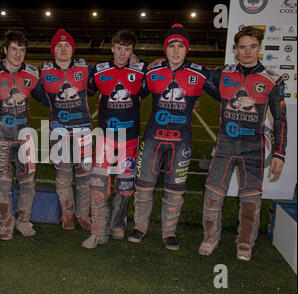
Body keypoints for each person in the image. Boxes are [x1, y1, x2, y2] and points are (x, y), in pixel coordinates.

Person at [127, 24, 221, 250]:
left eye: (180, 46)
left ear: (186, 49)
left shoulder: (198, 73)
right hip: (153, 138)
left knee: (175, 189)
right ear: (165, 49)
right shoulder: (154, 72)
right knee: (144, 185)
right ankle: (140, 227)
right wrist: (137, 67)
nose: (176, 50)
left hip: (182, 141)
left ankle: (169, 233)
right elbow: (134, 93)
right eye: (171, 46)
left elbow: (221, 94)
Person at [198, 26, 287, 261]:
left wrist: (279, 153)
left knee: (250, 199)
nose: (247, 52)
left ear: (259, 48)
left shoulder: (272, 79)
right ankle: (210, 237)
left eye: (252, 46)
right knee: (213, 194)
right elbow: (195, 73)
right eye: (242, 47)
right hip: (225, 145)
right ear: (236, 51)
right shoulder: (224, 74)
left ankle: (245, 243)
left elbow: (280, 119)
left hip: (253, 148)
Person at [82, 30, 149, 248]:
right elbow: (87, 90)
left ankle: (117, 224)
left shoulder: (141, 71)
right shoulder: (100, 70)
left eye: (127, 49)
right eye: (119, 48)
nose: (122, 53)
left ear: (132, 50)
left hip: (129, 139)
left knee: (125, 185)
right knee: (98, 183)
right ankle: (98, 231)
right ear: (112, 48)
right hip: (106, 139)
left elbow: (159, 83)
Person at [0, 30, 48, 240]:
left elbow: (47, 99)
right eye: (13, 49)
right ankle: (6, 224)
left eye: (22, 49)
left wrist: (49, 73)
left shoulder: (31, 73)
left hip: (25, 138)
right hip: (0, 138)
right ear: (4, 50)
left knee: (28, 181)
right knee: (3, 183)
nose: (18, 54)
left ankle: (23, 221)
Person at [39, 29, 93, 231]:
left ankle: (83, 215)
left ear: (73, 49)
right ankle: (68, 214)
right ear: (53, 50)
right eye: (59, 46)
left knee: (84, 176)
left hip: (84, 132)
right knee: (63, 177)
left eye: (67, 45)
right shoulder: (44, 71)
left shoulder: (85, 68)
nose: (63, 49)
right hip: (58, 132)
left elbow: (111, 73)